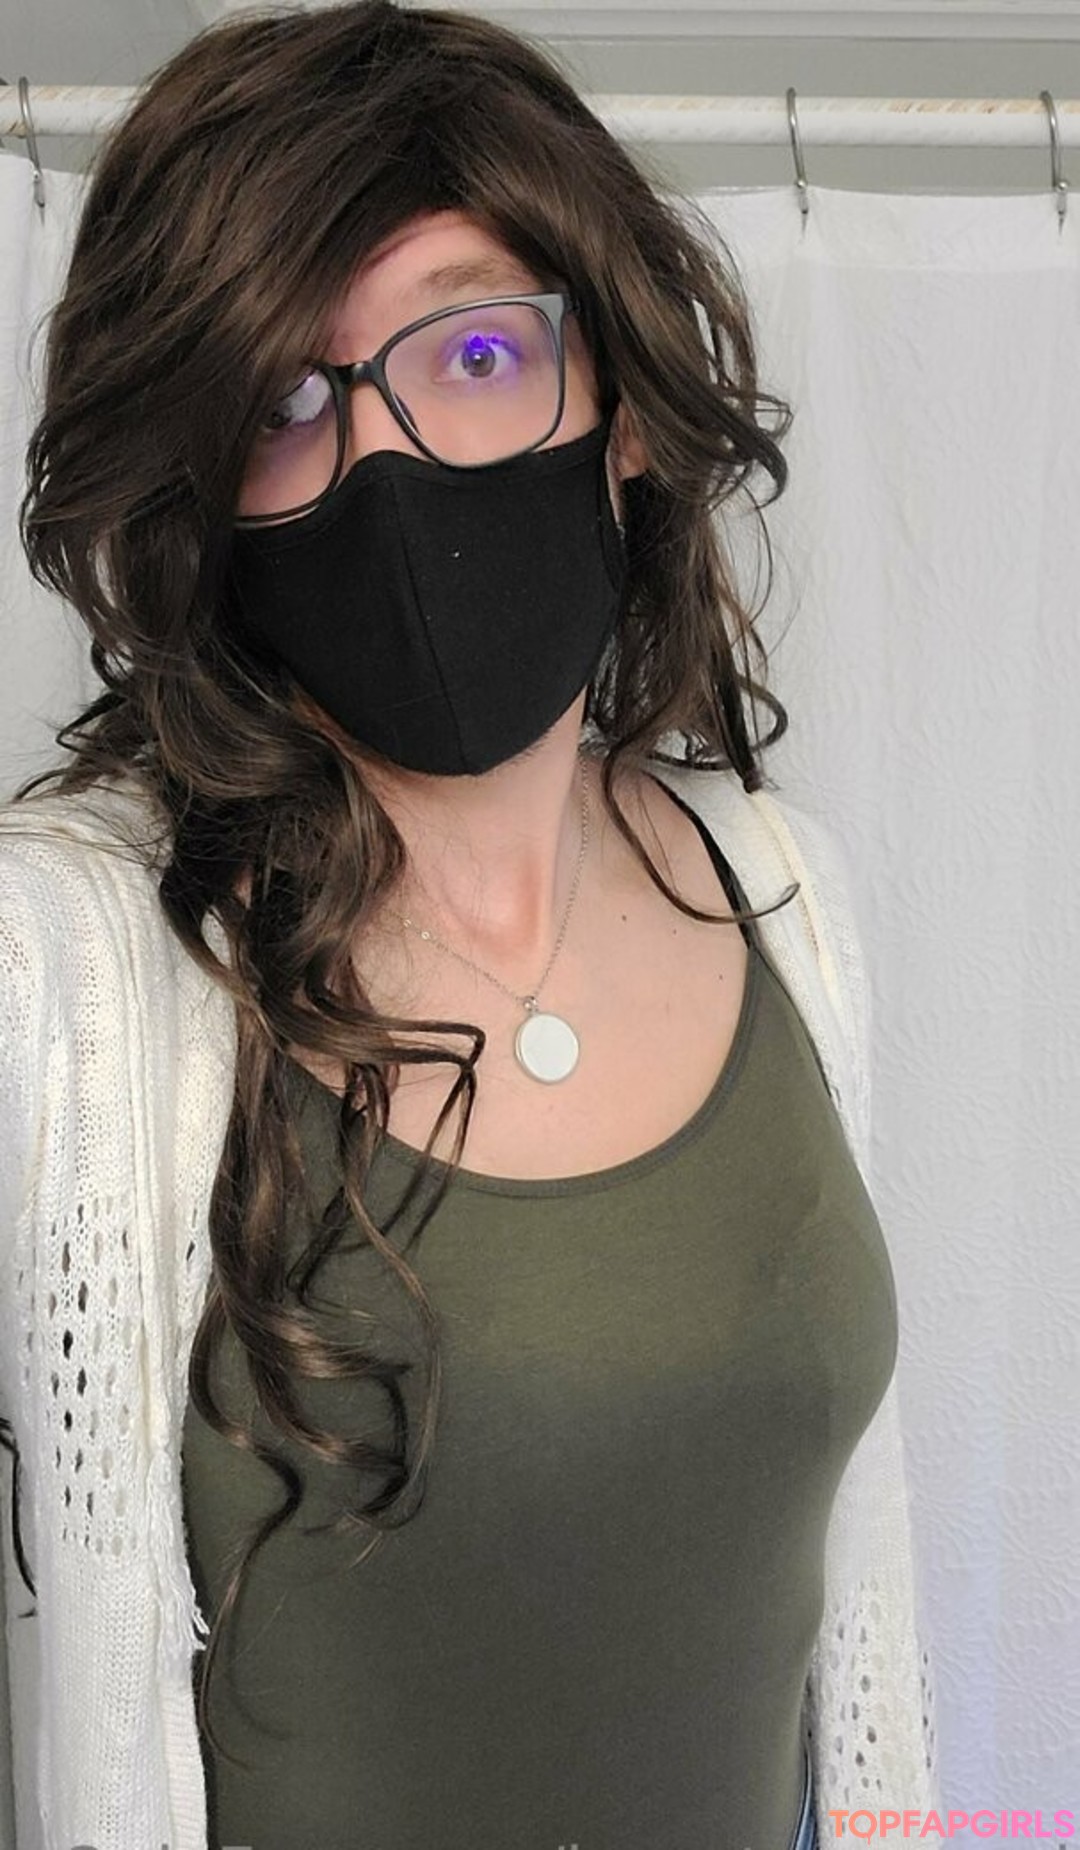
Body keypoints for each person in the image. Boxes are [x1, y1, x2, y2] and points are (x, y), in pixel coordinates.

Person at [0, 3, 940, 1846]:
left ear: (623, 410)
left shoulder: (787, 893)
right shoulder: (64, 969)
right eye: (287, 402)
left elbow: (852, 1632)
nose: (390, 461)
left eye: (481, 347)